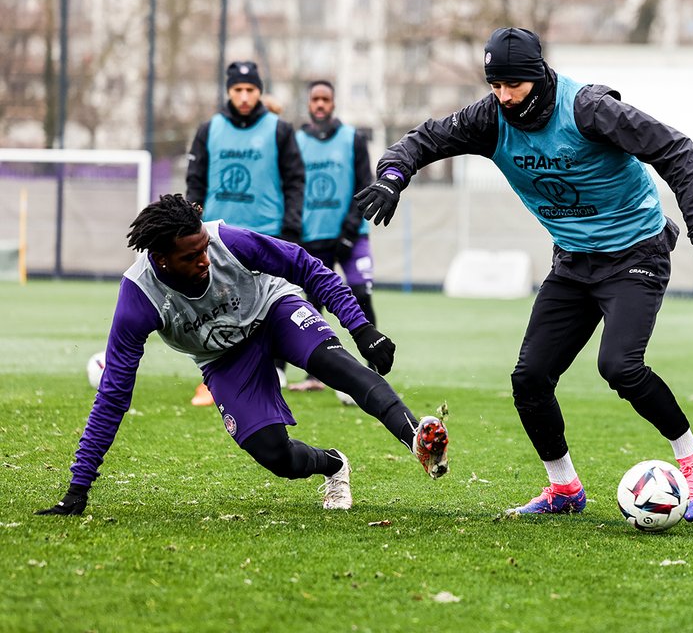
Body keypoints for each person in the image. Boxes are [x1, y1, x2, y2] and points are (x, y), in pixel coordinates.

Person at [355, 27, 693, 520]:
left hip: (635, 253)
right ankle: (564, 489)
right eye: (494, 85)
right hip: (573, 261)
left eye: (512, 85)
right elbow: (423, 140)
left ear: (538, 74)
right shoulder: (489, 117)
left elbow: (677, 150)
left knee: (620, 367)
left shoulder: (587, 109)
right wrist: (393, 176)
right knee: (530, 378)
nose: (502, 95)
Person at [35, 194, 449, 517]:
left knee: (339, 368)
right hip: (223, 359)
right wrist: (79, 487)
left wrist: (361, 329)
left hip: (274, 312)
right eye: (191, 256)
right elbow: (113, 395)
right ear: (161, 259)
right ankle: (333, 465)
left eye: (204, 248)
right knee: (276, 456)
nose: (205, 260)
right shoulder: (138, 299)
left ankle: (416, 437)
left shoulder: (226, 241)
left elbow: (307, 266)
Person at [184, 61, 305, 406]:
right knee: (218, 306)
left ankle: (276, 370)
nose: (244, 96)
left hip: (266, 233)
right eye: (238, 90)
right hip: (217, 237)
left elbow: (295, 181)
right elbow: (196, 182)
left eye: (250, 90)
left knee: (270, 303)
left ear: (259, 91)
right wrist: (191, 227)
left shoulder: (279, 130)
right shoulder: (209, 129)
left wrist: (291, 227)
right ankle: (216, 376)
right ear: (228, 91)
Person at [289, 79, 377, 393]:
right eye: (316, 99)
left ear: (334, 102)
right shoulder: (297, 140)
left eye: (326, 98)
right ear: (309, 104)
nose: (321, 104)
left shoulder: (352, 139)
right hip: (312, 237)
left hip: (351, 236)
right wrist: (296, 230)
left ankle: (373, 372)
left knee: (360, 295)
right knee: (311, 306)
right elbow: (291, 187)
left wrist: (349, 231)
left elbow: (365, 185)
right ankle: (316, 376)